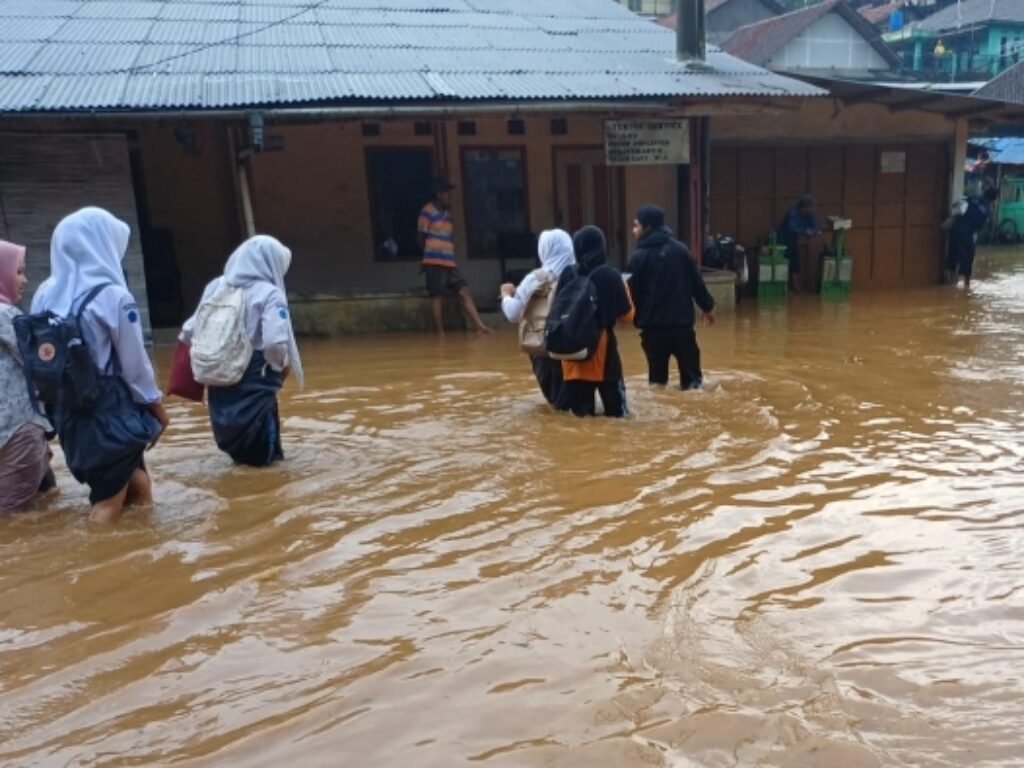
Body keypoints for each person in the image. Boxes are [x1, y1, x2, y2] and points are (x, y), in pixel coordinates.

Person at [31, 208, 168, 524]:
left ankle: (144, 553)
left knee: (139, 487)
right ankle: (95, 566)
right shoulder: (113, 296)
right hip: (109, 413)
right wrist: (159, 411)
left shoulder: (43, 295)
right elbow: (136, 368)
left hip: (68, 413)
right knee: (109, 503)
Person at [181, 236, 303, 467]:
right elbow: (274, 343)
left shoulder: (216, 286)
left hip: (219, 374)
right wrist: (279, 368)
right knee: (263, 456)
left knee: (235, 442)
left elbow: (189, 331)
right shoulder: (269, 293)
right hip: (255, 376)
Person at [627, 205, 715, 391]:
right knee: (693, 383)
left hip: (652, 330)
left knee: (657, 384)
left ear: (647, 228)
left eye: (636, 226)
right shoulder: (680, 250)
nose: (633, 230)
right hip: (681, 328)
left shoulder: (637, 258)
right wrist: (707, 307)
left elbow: (632, 295)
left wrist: (633, 319)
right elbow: (696, 283)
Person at [0, 240, 56, 512]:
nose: (24, 279)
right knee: (15, 517)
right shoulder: (6, 315)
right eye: (19, 271)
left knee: (43, 501)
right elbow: (40, 364)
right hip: (16, 430)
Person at [555, 226, 634, 418]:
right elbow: (627, 317)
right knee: (618, 418)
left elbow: (556, 310)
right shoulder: (610, 275)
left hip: (571, 354)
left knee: (582, 420)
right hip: (602, 356)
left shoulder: (567, 274)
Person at [499, 229, 576, 404]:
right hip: (577, 347)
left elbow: (513, 314)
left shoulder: (535, 279)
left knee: (556, 406)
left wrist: (505, 295)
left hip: (543, 347)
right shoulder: (580, 274)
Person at [417, 179, 492, 335]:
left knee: (463, 289)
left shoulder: (447, 213)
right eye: (446, 193)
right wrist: (426, 256)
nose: (448, 196)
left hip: (449, 260)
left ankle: (480, 326)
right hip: (434, 260)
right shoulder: (427, 211)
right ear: (438, 194)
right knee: (437, 295)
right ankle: (440, 331)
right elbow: (421, 236)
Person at [946, 187, 999, 289]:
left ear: (984, 193)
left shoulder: (972, 198)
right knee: (968, 257)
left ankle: (949, 281)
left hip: (954, 229)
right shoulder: (986, 210)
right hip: (966, 233)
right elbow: (979, 227)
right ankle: (967, 285)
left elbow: (957, 205)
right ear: (994, 199)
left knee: (952, 253)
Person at [776, 194, 821, 293]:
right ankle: (784, 287)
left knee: (795, 262)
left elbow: (816, 226)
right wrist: (805, 231)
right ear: (805, 207)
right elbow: (791, 228)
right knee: (783, 262)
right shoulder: (792, 213)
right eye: (812, 207)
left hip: (793, 241)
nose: (814, 209)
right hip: (782, 240)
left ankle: (795, 287)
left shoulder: (810, 215)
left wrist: (814, 231)